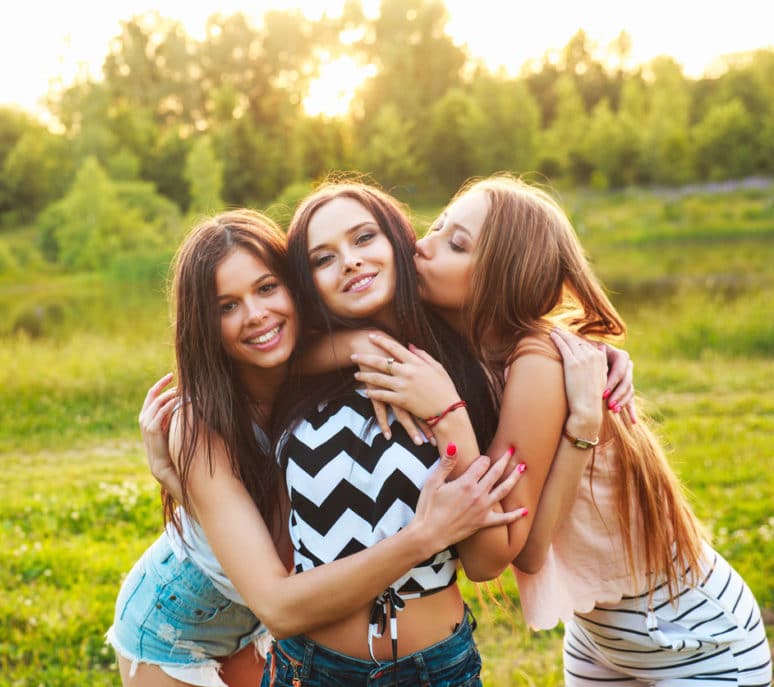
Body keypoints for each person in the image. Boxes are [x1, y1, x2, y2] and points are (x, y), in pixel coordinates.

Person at [369, 174, 771, 685]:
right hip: (600, 637)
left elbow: (529, 552)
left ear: (500, 279)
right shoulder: (480, 357)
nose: (421, 247)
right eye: (437, 227)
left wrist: (582, 429)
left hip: (694, 638)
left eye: (456, 243)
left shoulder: (536, 362)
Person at [107, 209, 526, 687]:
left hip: (269, 623)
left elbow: (416, 337)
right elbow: (280, 606)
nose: (256, 315)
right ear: (203, 325)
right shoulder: (199, 422)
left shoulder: (311, 357)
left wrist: (570, 346)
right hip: (181, 629)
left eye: (266, 288)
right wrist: (424, 536)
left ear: (293, 286)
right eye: (226, 306)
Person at [263, 181, 575, 687]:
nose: (349, 262)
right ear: (306, 280)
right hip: (310, 668)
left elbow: (487, 560)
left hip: (434, 669)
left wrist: (449, 414)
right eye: (323, 258)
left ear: (396, 240)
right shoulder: (292, 364)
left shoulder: (470, 365)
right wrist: (360, 344)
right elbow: (221, 369)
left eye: (364, 238)